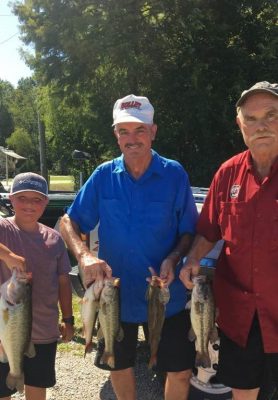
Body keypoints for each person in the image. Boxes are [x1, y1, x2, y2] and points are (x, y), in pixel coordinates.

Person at [60, 94, 198, 400]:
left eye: (139, 130)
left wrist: (175, 257)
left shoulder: (174, 173)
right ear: (115, 134)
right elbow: (68, 221)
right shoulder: (103, 175)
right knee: (118, 364)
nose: (131, 138)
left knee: (179, 370)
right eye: (124, 131)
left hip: (165, 293)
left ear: (153, 131)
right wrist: (83, 256)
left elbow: (189, 230)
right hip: (115, 293)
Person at [180, 81, 278, 400]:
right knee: (243, 394)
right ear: (240, 124)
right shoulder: (227, 174)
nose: (260, 125)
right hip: (240, 316)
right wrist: (193, 259)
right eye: (250, 118)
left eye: (271, 114)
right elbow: (209, 230)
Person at [0, 172, 74, 400]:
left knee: (37, 388)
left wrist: (69, 319)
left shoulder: (54, 239)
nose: (29, 205)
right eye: (23, 198)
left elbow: (63, 280)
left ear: (45, 203)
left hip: (44, 331)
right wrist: (9, 256)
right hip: (4, 332)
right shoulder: (3, 228)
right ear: (11, 199)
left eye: (37, 199)